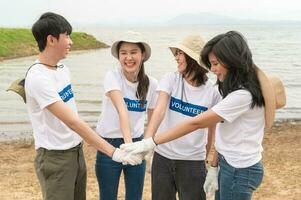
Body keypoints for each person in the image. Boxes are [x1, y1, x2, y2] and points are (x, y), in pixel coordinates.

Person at [121, 31, 286, 200]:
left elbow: (200, 124)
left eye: (180, 53)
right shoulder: (175, 79)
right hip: (215, 163)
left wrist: (150, 142)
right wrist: (214, 165)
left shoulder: (232, 94)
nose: (212, 69)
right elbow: (160, 111)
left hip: (224, 166)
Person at [25, 12, 141, 200]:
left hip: (75, 152)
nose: (71, 42)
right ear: (51, 40)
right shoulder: (38, 77)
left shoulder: (62, 69)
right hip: (55, 158)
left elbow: (71, 115)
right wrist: (114, 152)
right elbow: (72, 121)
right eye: (67, 36)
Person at [143, 35, 221, 200]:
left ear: (193, 59)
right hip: (163, 158)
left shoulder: (212, 91)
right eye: (176, 53)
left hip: (192, 162)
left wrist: (206, 159)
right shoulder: (171, 79)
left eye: (180, 54)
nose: (176, 58)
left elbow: (211, 128)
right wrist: (146, 144)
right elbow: (159, 111)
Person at [94, 31, 158, 200]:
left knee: (135, 196)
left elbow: (153, 118)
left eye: (133, 52)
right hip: (108, 145)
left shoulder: (152, 84)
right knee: (107, 196)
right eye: (124, 53)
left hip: (137, 142)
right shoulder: (112, 76)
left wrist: (146, 146)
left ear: (143, 55)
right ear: (118, 57)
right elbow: (122, 110)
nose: (128, 58)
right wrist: (129, 148)